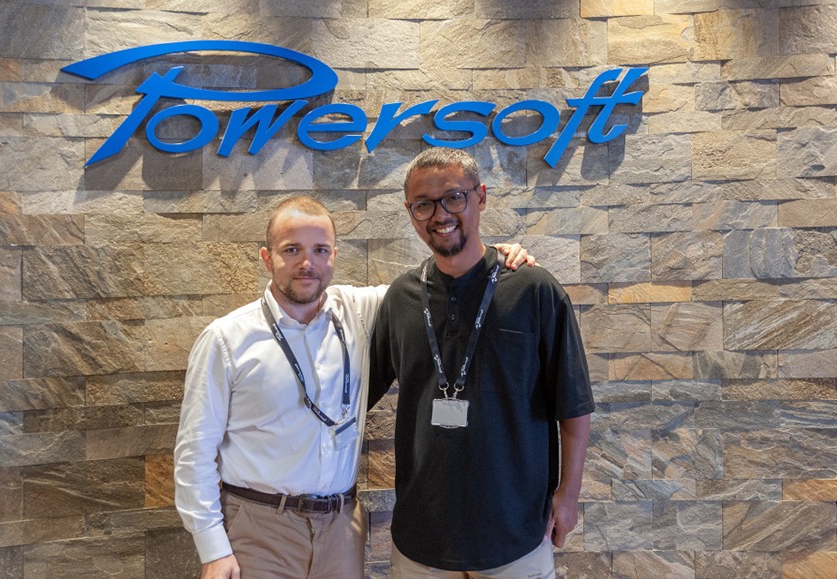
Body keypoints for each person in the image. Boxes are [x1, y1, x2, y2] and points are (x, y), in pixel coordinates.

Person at [174, 195, 534, 579]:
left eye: (320, 250)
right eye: (292, 250)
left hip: (342, 527)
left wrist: (493, 258)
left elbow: (442, 285)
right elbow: (195, 451)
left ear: (334, 255)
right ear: (267, 258)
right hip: (260, 527)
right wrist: (213, 548)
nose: (307, 263)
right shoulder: (226, 340)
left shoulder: (361, 309)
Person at [369, 148, 594, 578]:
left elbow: (574, 404)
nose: (441, 215)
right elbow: (356, 392)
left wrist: (569, 494)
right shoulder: (400, 298)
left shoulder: (534, 290)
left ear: (481, 197)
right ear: (410, 212)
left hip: (516, 531)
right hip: (422, 536)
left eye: (454, 197)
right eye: (423, 204)